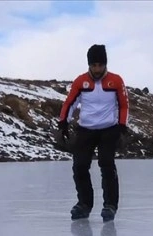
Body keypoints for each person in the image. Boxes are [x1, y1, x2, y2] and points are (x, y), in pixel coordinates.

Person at [57, 44, 129, 222]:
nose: (97, 69)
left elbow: (124, 105)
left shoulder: (116, 81)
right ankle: (84, 204)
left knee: (107, 165)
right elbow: (69, 103)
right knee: (80, 166)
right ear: (88, 64)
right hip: (86, 129)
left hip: (109, 129)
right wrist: (63, 123)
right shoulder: (80, 81)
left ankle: (110, 205)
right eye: (93, 65)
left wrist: (122, 127)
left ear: (105, 64)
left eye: (100, 65)